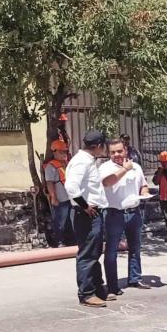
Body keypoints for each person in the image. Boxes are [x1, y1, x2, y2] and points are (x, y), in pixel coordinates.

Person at [64, 129, 111, 308]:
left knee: (95, 252)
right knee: (87, 254)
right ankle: (87, 293)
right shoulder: (81, 162)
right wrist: (85, 206)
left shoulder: (88, 161)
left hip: (93, 213)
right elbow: (71, 187)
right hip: (86, 214)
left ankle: (98, 289)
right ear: (98, 146)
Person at [99, 139, 151, 294]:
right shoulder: (105, 167)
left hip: (133, 212)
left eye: (119, 151)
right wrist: (125, 169)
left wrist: (144, 192)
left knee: (135, 247)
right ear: (109, 153)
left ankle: (135, 278)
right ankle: (113, 286)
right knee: (111, 251)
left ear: (126, 150)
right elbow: (107, 182)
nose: (117, 155)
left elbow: (143, 184)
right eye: (113, 152)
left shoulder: (136, 167)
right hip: (114, 213)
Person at [44, 140, 71, 248]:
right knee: (60, 221)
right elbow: (49, 183)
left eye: (65, 151)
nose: (64, 154)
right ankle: (59, 241)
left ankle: (70, 240)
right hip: (61, 199)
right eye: (61, 152)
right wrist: (53, 197)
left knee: (69, 222)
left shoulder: (66, 164)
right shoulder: (51, 166)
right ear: (54, 152)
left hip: (70, 198)